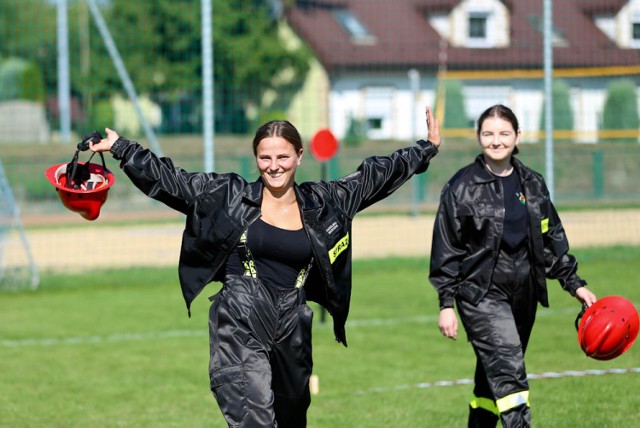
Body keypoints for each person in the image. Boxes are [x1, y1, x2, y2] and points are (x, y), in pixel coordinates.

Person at [90, 107, 441, 427]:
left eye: (283, 157)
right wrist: (122, 148)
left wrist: (425, 148)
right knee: (254, 417)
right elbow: (172, 181)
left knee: (291, 419)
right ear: (256, 159)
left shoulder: (324, 202)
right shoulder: (228, 195)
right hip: (240, 314)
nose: (274, 165)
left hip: (293, 321)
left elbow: (374, 177)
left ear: (299, 157)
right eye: (265, 157)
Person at [428, 104, 596, 428]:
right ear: (478, 137)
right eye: (488, 134)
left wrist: (575, 284)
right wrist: (446, 303)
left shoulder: (533, 183)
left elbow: (550, 240)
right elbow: (446, 248)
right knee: (509, 371)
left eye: (504, 133)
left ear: (518, 136)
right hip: (480, 293)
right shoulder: (460, 187)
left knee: (492, 377)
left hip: (525, 289)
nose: (496, 141)